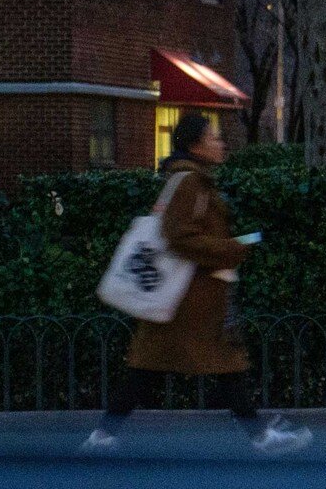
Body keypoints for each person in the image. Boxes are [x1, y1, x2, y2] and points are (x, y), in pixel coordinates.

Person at [82, 113, 312, 455]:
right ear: (195, 146)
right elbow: (179, 236)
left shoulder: (195, 180)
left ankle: (102, 435)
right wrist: (231, 249)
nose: (221, 143)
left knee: (154, 367)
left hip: (186, 297)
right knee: (220, 364)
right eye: (213, 138)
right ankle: (261, 437)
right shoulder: (191, 183)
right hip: (190, 299)